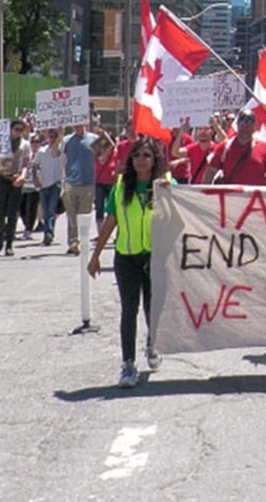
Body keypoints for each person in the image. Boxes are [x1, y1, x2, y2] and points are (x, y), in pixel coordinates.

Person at [87, 136, 171, 388]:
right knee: (129, 310)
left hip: (155, 258)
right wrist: (95, 256)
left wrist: (167, 191)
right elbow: (111, 221)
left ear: (155, 159)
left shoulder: (165, 185)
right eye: (136, 156)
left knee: (152, 309)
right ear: (130, 160)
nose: (141, 160)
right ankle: (128, 364)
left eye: (147, 155)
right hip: (126, 257)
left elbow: (181, 215)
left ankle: (153, 344)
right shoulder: (122, 186)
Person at [200, 108, 266, 186]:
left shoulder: (264, 148)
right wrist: (204, 196)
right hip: (231, 198)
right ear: (237, 125)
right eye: (242, 123)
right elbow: (209, 174)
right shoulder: (224, 147)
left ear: (255, 126)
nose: (245, 127)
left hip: (255, 199)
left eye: (249, 123)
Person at [0, 119, 31, 256]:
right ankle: (0, 233)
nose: (18, 133)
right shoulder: (1, 143)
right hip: (2, 177)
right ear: (10, 130)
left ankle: (9, 244)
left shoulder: (25, 145)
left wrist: (22, 177)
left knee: (13, 212)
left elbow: (26, 164)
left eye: (21, 130)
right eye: (16, 130)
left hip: (16, 179)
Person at [62, 123, 99, 255]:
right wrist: (60, 132)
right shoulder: (66, 140)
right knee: (71, 216)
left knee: (84, 215)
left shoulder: (94, 138)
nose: (78, 126)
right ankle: (73, 243)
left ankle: (83, 241)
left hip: (88, 182)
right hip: (70, 182)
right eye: (75, 124)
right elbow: (56, 152)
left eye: (80, 124)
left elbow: (102, 156)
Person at [32, 128, 63, 246]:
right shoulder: (42, 151)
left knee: (51, 209)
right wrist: (35, 178)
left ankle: (48, 233)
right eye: (50, 137)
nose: (52, 139)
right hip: (43, 184)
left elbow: (58, 147)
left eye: (54, 137)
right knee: (46, 211)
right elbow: (35, 166)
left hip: (55, 184)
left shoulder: (59, 151)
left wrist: (61, 132)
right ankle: (49, 232)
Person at [93, 137, 116, 227]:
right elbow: (101, 161)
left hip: (111, 183)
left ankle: (112, 229)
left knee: (112, 207)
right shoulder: (99, 155)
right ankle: (100, 232)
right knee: (99, 207)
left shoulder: (116, 153)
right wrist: (106, 151)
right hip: (100, 183)